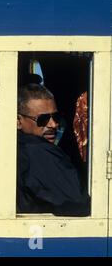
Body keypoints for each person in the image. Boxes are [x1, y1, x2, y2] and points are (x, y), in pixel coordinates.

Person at [16, 83, 90, 216]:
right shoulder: (39, 152)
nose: (53, 124)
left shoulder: (16, 147)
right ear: (18, 121)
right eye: (43, 119)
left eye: (55, 117)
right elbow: (77, 203)